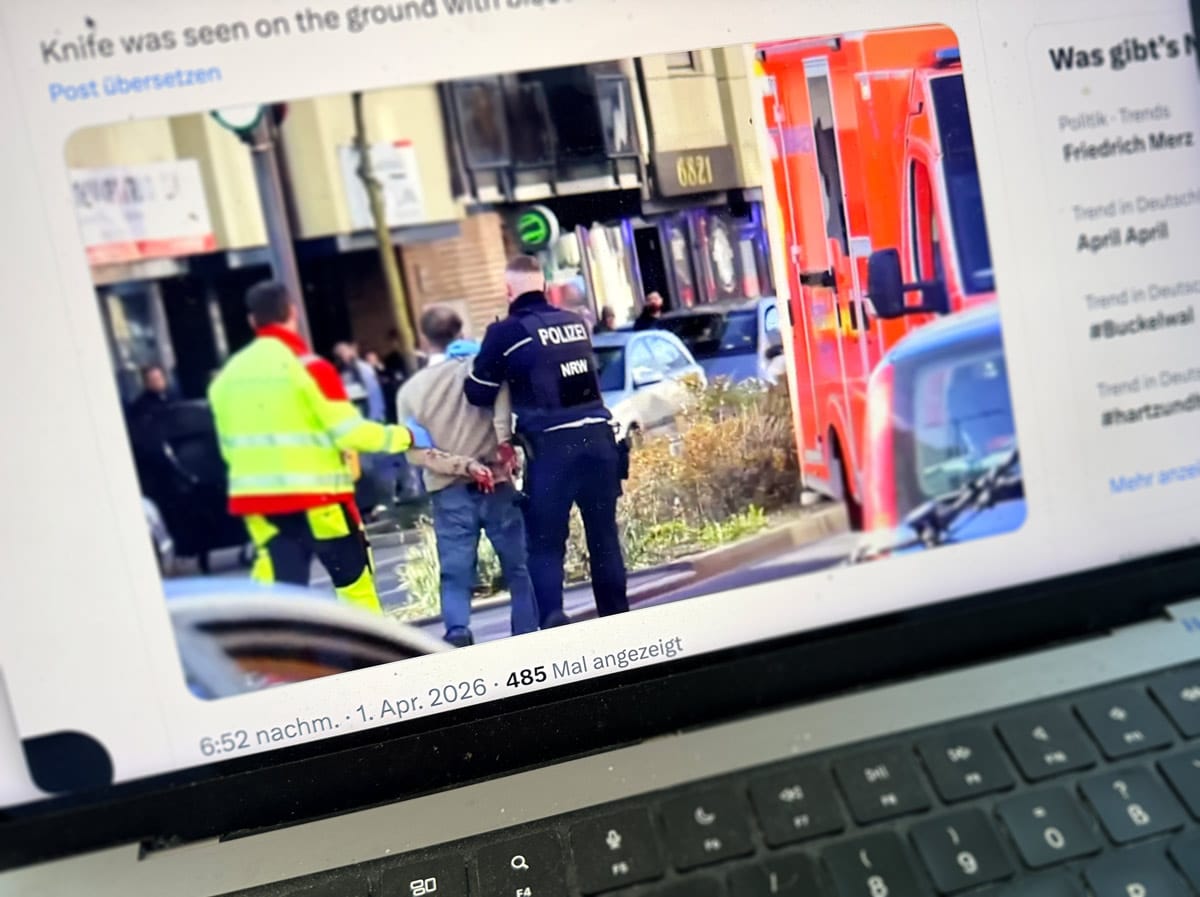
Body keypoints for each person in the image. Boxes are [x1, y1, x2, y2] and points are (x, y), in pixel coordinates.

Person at [207, 280, 434, 615]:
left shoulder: (228, 378)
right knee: (354, 586)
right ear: (292, 312)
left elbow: (230, 447)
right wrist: (407, 436)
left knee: (277, 599)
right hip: (320, 503)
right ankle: (367, 648)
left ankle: (278, 651)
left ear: (252, 321)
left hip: (261, 506)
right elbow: (351, 434)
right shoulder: (310, 369)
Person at [465, 255, 629, 627]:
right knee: (604, 537)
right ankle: (618, 621)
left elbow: (478, 392)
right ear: (543, 285)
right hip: (600, 441)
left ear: (508, 290)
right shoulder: (576, 323)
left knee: (545, 543)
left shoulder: (506, 333)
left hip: (553, 449)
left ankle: (554, 619)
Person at [396, 306, 538, 648]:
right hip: (497, 481)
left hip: (448, 491)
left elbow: (416, 452)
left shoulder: (411, 392)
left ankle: (458, 631)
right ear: (460, 331)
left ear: (424, 340)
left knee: (455, 572)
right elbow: (506, 420)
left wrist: (462, 465)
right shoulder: (482, 371)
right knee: (519, 566)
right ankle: (526, 631)